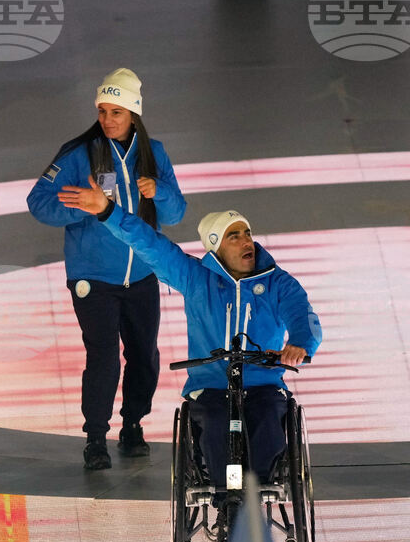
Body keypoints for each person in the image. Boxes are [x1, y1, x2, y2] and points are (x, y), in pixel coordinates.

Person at [62, 186, 322, 509]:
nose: (246, 241)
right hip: (210, 387)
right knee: (214, 426)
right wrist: (107, 210)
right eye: (234, 236)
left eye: (247, 233)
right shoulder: (196, 279)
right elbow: (150, 244)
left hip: (263, 385)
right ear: (215, 248)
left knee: (269, 418)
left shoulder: (277, 282)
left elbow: (303, 316)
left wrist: (300, 343)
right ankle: (228, 496)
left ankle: (256, 488)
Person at [27, 68, 187, 470]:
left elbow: (177, 211)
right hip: (93, 277)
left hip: (144, 275)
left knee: (144, 356)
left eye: (116, 111)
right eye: (102, 111)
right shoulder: (80, 153)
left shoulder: (155, 154)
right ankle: (96, 439)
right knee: (104, 358)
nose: (108, 119)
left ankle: (132, 423)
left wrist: (160, 190)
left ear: (134, 113)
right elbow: (38, 201)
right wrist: (80, 206)